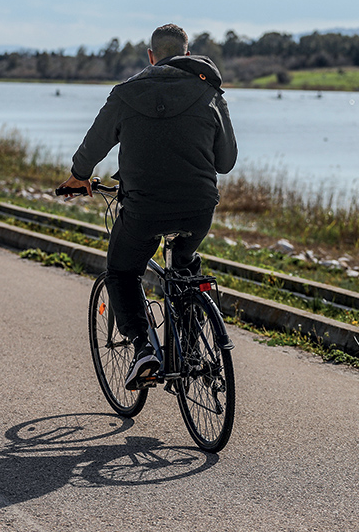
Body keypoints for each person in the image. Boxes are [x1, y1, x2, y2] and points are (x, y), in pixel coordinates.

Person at [57, 24, 237, 390]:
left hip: (144, 210)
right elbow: (226, 162)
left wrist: (78, 176)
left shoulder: (125, 94)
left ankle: (143, 350)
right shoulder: (210, 92)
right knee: (185, 265)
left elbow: (94, 145)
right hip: (199, 207)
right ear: (187, 55)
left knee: (122, 272)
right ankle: (191, 348)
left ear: (151, 57)